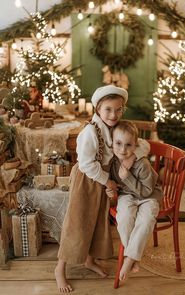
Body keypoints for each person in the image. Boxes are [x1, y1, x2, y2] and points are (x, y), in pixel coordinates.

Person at [55, 85, 149, 292]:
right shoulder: (90, 131)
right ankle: (60, 269)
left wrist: (130, 158)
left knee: (97, 222)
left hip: (103, 182)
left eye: (118, 109)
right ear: (98, 109)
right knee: (78, 223)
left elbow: (141, 144)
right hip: (87, 181)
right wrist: (107, 181)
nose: (113, 114)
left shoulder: (116, 127)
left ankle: (90, 260)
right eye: (108, 109)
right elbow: (87, 164)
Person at [106, 120, 163, 282]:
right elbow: (114, 183)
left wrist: (127, 177)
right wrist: (111, 189)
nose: (123, 150)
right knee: (123, 219)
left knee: (145, 221)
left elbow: (146, 192)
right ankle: (135, 257)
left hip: (149, 196)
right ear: (112, 142)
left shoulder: (142, 164)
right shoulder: (113, 161)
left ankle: (129, 259)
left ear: (135, 145)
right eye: (118, 143)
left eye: (128, 145)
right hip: (127, 195)